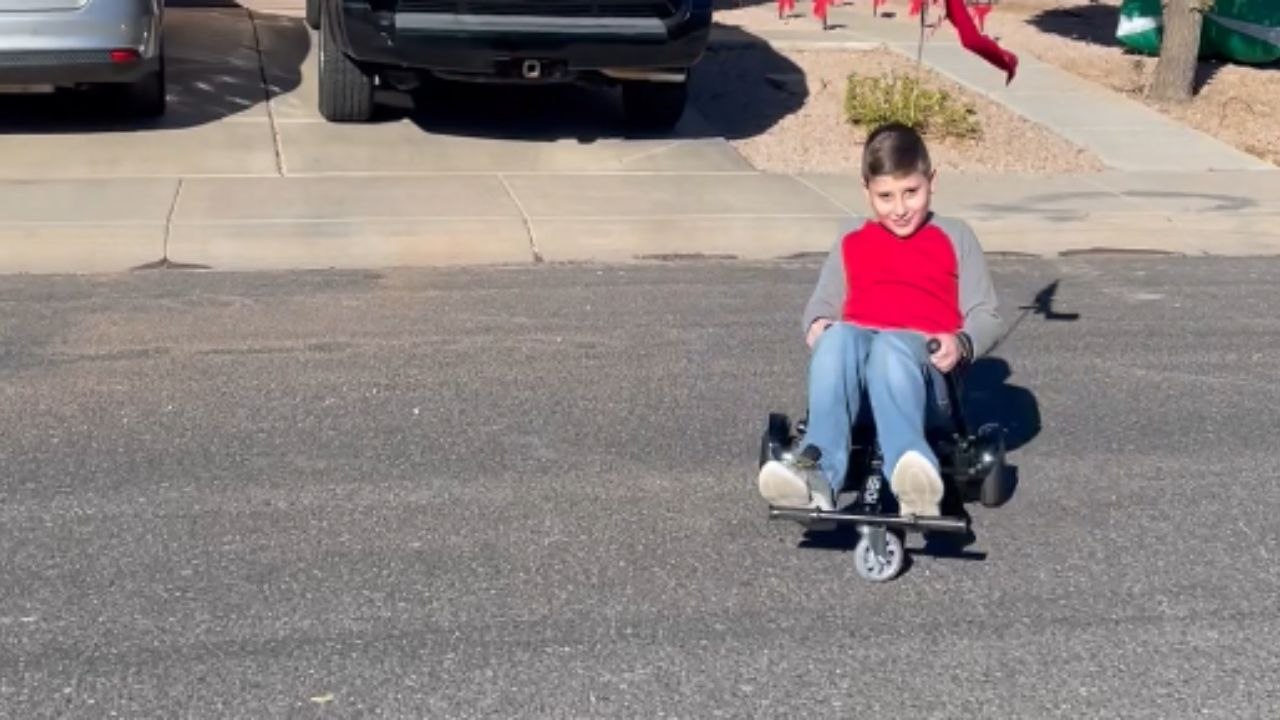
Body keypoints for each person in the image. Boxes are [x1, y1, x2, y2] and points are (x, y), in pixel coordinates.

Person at [758, 122, 1002, 518]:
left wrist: (962, 342)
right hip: (857, 386)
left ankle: (912, 474)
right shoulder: (851, 237)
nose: (900, 208)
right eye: (885, 196)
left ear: (931, 181)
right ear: (866, 191)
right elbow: (822, 301)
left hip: (923, 377)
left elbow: (986, 314)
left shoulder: (955, 236)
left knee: (891, 345)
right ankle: (817, 472)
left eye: (911, 192)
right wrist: (819, 323)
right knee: (839, 339)